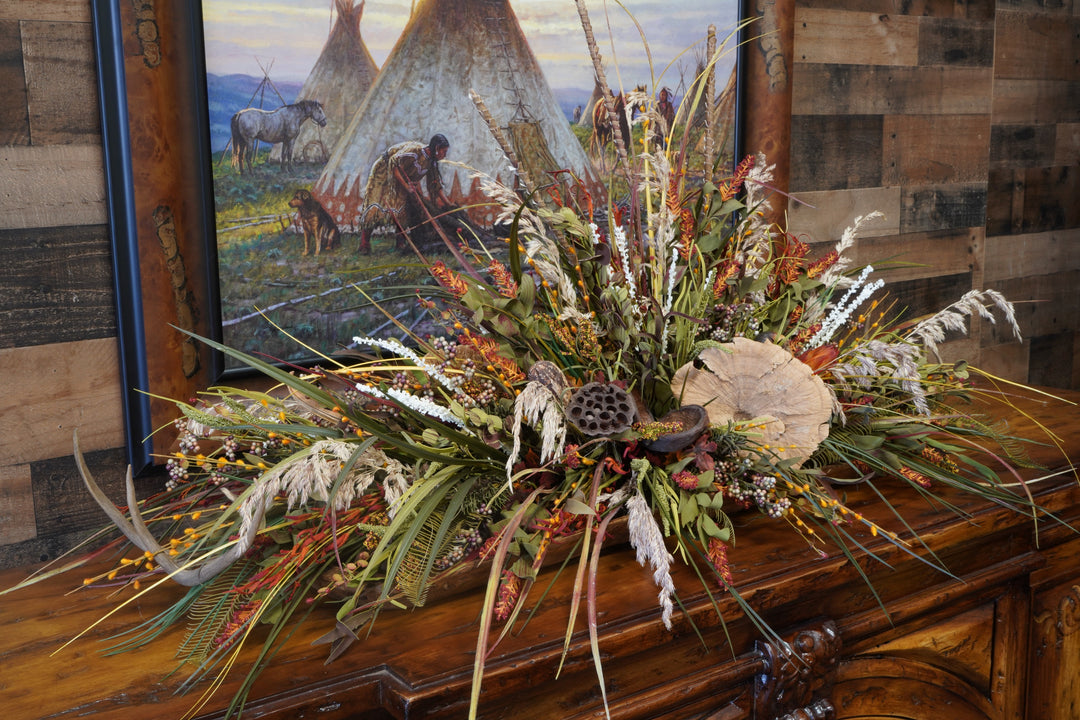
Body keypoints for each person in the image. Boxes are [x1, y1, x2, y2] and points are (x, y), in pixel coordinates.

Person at [357, 134, 452, 255]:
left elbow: (435, 185)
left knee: (402, 209)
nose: (445, 155)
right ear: (437, 148)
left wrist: (448, 204)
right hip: (383, 172)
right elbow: (394, 163)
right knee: (376, 204)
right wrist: (407, 187)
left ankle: (400, 242)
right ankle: (364, 244)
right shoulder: (414, 152)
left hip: (400, 178)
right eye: (444, 151)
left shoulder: (431, 162)